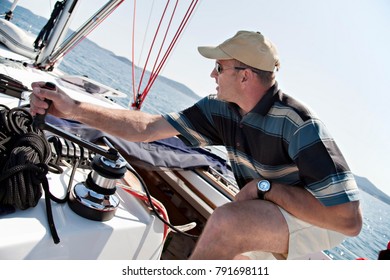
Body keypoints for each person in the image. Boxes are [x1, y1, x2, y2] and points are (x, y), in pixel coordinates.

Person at [29, 30, 363, 260]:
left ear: (245, 76)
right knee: (233, 243)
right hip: (269, 203)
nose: (212, 75)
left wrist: (265, 189)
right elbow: (147, 128)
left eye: (219, 67)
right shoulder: (221, 110)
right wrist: (74, 110)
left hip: (322, 216)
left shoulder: (299, 125)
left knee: (226, 222)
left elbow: (349, 220)